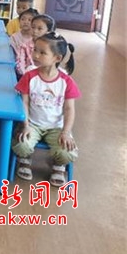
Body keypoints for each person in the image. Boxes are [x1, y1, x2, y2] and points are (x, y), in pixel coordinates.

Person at [12, 32, 79, 186]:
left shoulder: (66, 81)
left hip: (56, 127)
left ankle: (58, 165)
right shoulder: (29, 76)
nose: (36, 55)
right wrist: (25, 125)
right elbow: (24, 102)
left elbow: (69, 109)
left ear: (57, 58)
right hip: (33, 124)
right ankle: (25, 158)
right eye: (35, 50)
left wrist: (66, 132)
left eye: (42, 53)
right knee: (21, 144)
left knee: (67, 152)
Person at [11, 8, 39, 76]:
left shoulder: (36, 38)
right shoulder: (14, 37)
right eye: (23, 19)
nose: (25, 22)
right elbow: (14, 55)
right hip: (18, 67)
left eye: (29, 20)